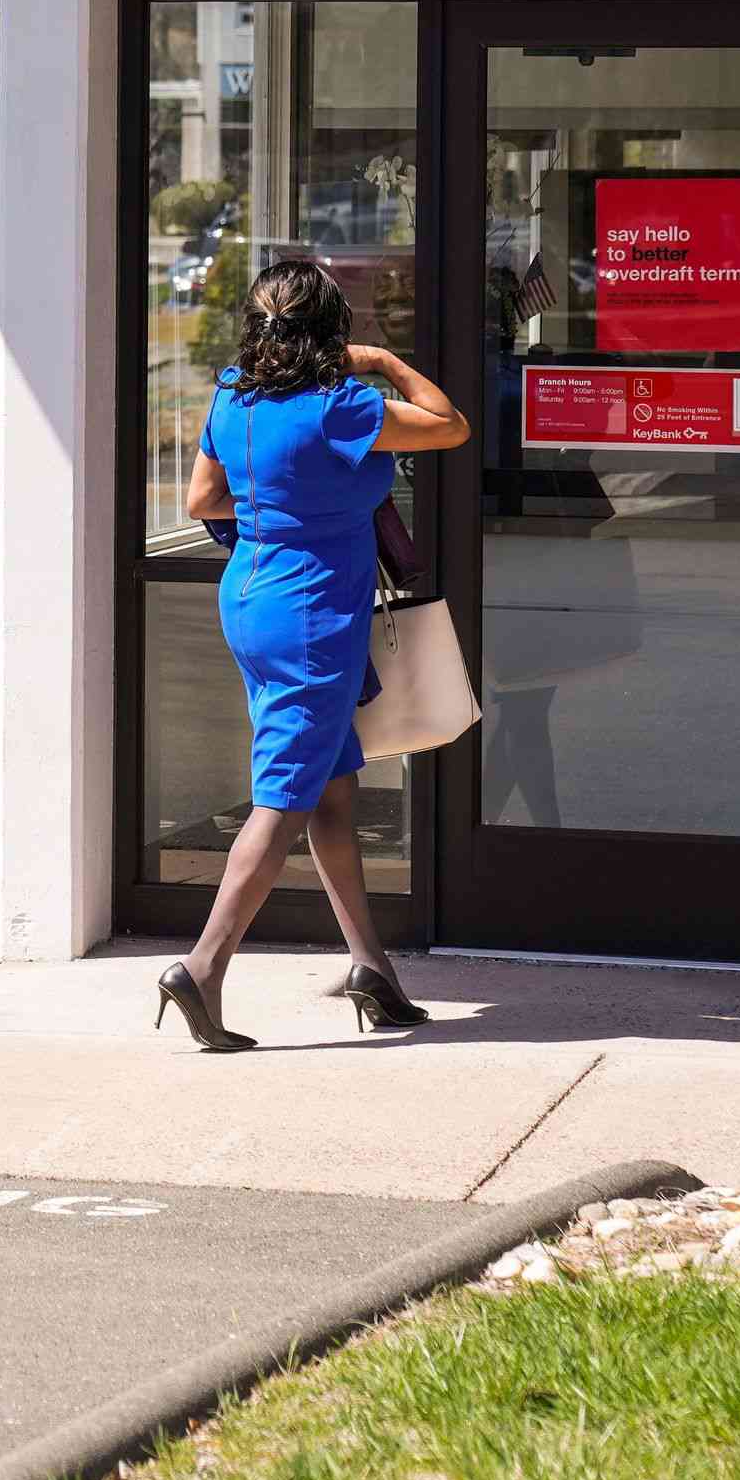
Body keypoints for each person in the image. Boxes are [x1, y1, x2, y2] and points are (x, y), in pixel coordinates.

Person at [156, 257, 471, 1054]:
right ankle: (201, 968)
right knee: (286, 795)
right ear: (332, 328)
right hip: (313, 613)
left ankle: (372, 968)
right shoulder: (342, 406)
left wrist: (281, 510)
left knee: (330, 788)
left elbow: (201, 501)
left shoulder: (234, 392)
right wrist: (390, 361)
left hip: (252, 596)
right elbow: (451, 425)